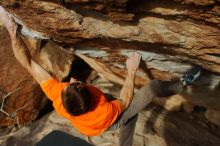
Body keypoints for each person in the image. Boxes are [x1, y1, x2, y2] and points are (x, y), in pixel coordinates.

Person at [0, 6, 201, 146]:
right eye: (74, 82)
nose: (70, 80)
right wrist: (131, 70)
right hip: (112, 119)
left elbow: (27, 63)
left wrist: (12, 30)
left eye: (70, 84)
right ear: (89, 93)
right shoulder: (104, 110)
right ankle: (184, 82)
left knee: (131, 119)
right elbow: (126, 98)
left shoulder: (58, 97)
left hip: (92, 124)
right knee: (152, 89)